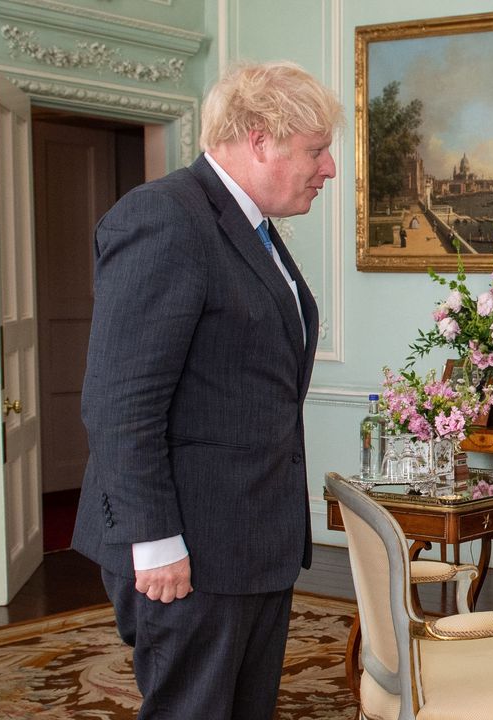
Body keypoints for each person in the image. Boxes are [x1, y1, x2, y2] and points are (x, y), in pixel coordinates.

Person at [72, 61, 342, 720]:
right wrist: (155, 541)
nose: (329, 168)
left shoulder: (249, 228)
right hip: (188, 548)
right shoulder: (165, 219)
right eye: (315, 150)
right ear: (259, 137)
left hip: (248, 542)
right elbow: (119, 403)